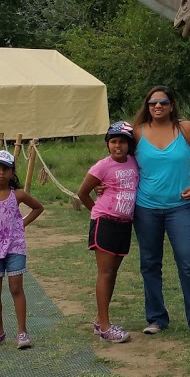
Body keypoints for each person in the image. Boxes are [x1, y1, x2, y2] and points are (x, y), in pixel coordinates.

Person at [131, 86, 190, 338]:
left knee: (188, 261)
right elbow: (118, 162)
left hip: (181, 208)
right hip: (145, 208)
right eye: (153, 103)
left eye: (163, 102)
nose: (158, 106)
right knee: (150, 263)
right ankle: (156, 318)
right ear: (147, 106)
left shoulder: (186, 130)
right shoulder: (136, 133)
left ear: (172, 105)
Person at [0, 149, 44, 349]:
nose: (1, 173)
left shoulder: (18, 195)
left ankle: (22, 332)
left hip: (15, 247)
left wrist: (22, 224)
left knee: (16, 287)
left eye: (6, 169)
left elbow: (38, 207)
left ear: (13, 172)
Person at [76, 121, 139, 344]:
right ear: (107, 145)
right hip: (105, 222)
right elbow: (82, 192)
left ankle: (99, 319)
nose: (117, 146)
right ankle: (105, 326)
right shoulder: (102, 166)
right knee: (105, 273)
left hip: (124, 223)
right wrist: (97, 210)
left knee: (113, 273)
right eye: (113, 142)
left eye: (122, 142)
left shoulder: (134, 162)